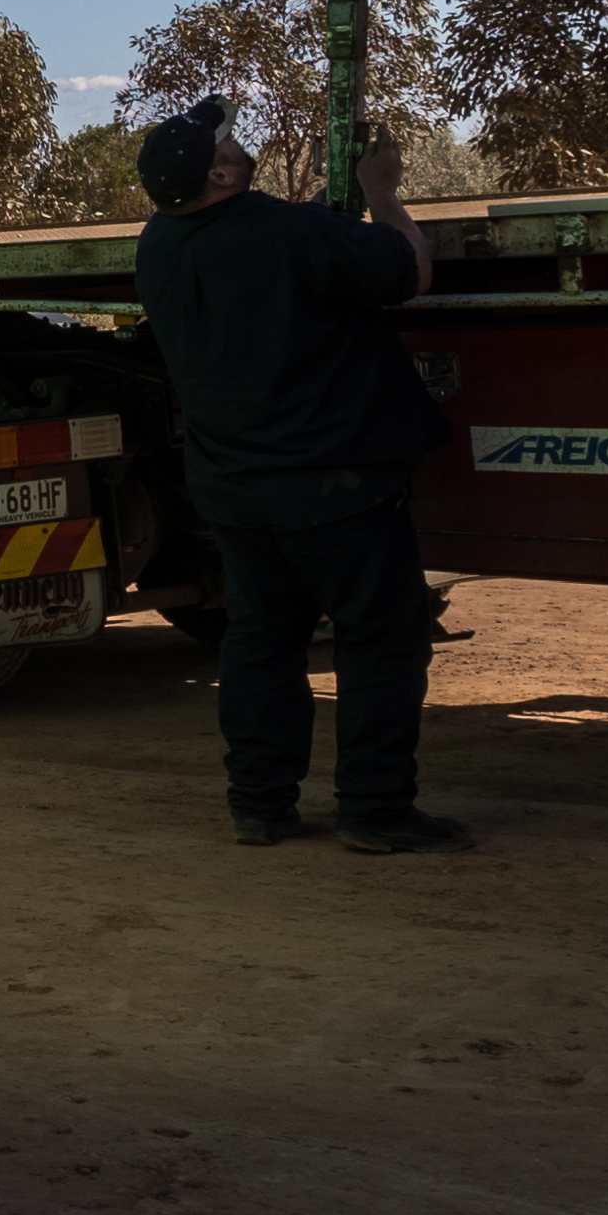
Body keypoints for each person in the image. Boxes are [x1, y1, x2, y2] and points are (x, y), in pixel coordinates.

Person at [132, 96, 466, 853]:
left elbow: (270, 261)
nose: (240, 145)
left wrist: (324, 221)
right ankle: (377, 812)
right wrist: (380, 194)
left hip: (236, 488)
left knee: (261, 643)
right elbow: (407, 271)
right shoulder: (290, 234)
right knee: (379, 638)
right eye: (231, 143)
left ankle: (259, 804)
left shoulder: (160, 243)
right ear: (219, 172)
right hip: (334, 485)